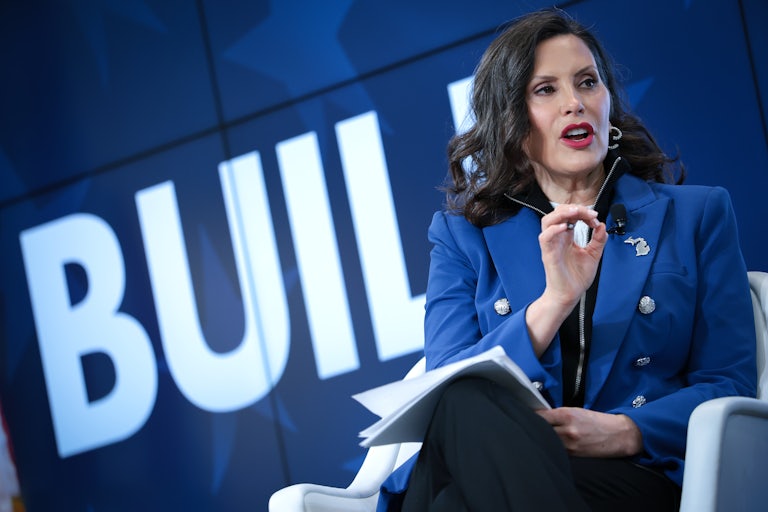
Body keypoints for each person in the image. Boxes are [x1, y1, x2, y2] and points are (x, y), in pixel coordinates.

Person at [377, 8, 757, 512]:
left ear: (608, 102)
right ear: (512, 120)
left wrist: (624, 431)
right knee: (462, 400)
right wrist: (554, 301)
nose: (575, 104)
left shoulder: (697, 215)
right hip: (498, 458)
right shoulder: (462, 236)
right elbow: (446, 385)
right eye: (546, 90)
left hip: (629, 473)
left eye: (587, 83)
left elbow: (728, 381)